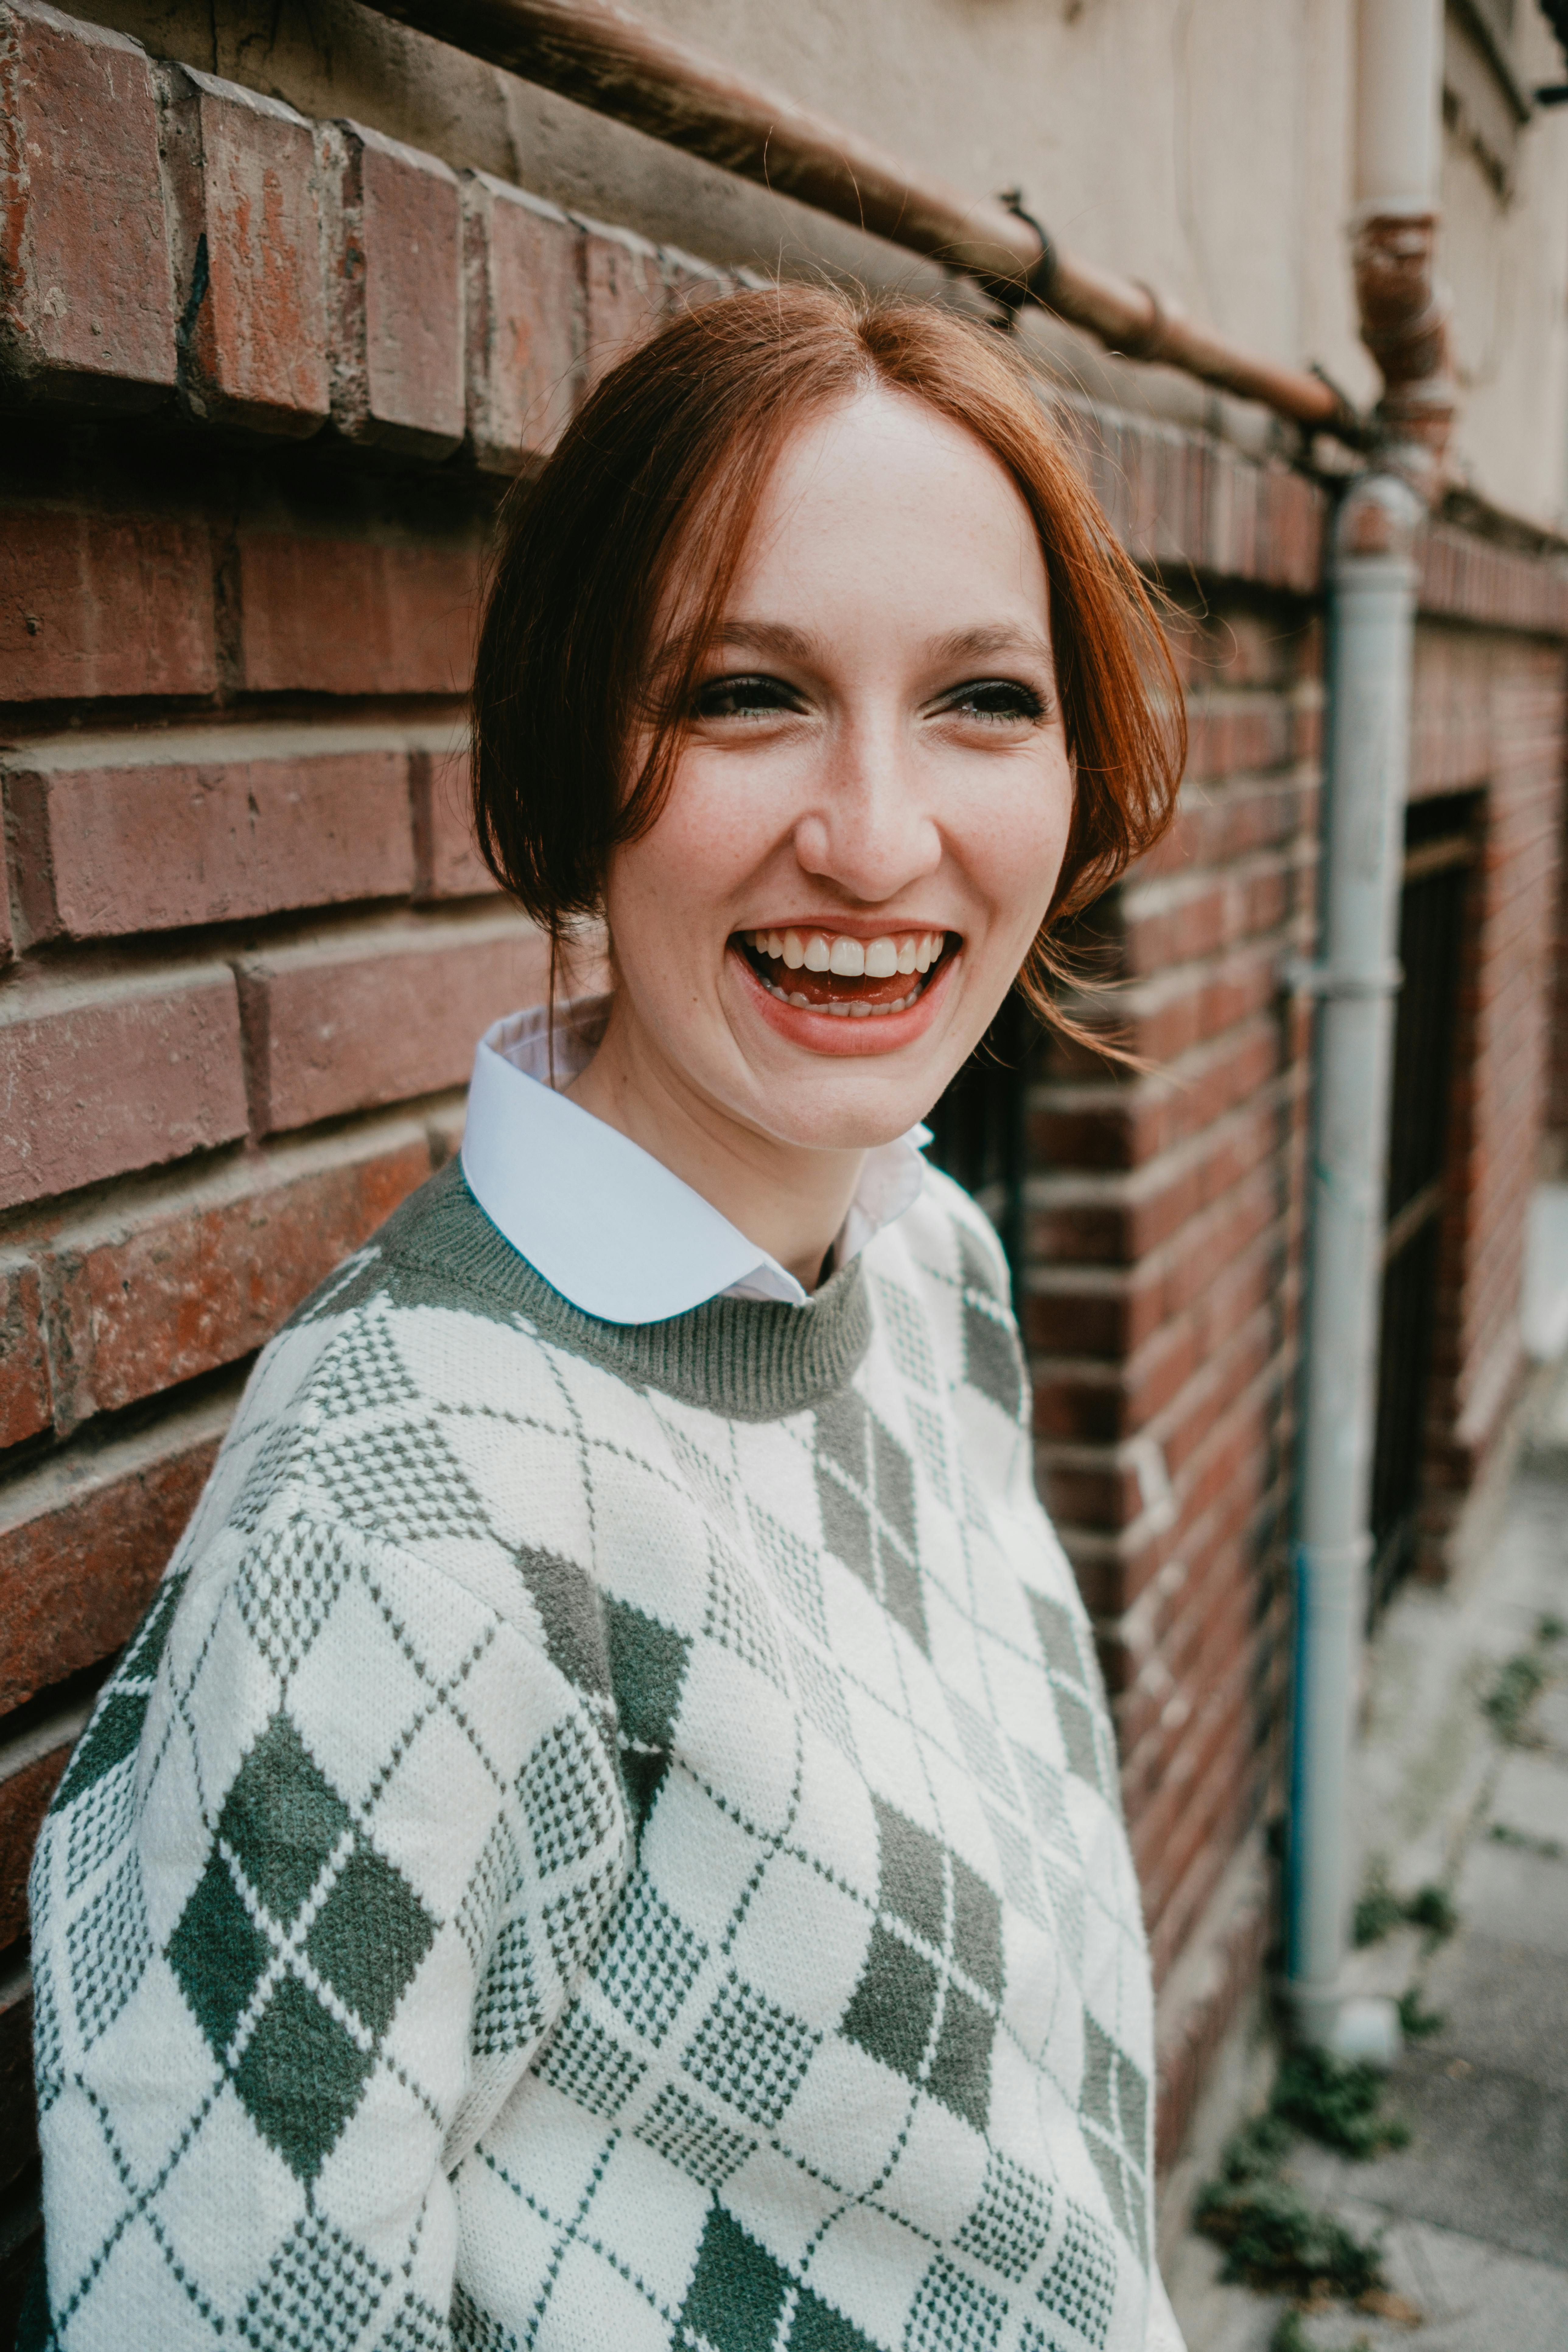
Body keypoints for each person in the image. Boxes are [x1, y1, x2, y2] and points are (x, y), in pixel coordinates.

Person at [24, 284, 1186, 2352]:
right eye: (748, 692)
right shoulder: (394, 1525)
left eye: (984, 701)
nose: (882, 834)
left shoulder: (927, 1257)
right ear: (573, 761)